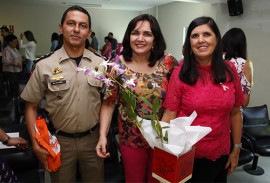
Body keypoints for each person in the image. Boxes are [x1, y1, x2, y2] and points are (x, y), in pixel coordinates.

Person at [20, 5, 104, 182]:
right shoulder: (44, 65)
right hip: (59, 141)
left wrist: (103, 135)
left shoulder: (101, 64)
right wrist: (35, 144)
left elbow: (108, 103)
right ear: (61, 28)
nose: (76, 29)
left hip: (92, 140)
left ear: (89, 32)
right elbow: (31, 106)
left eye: (82, 26)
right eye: (71, 23)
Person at [96, 14, 178, 182]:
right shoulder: (116, 65)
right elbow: (108, 103)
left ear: (155, 38)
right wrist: (103, 135)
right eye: (135, 33)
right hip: (130, 140)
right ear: (129, 36)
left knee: (159, 180)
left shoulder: (168, 62)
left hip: (162, 140)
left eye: (147, 34)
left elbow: (177, 99)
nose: (140, 38)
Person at [161, 16, 244, 182]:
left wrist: (236, 148)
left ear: (217, 39)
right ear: (189, 43)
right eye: (194, 36)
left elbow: (235, 113)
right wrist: (163, 153)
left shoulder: (230, 70)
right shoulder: (180, 72)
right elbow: (169, 115)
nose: (201, 40)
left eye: (207, 34)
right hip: (187, 155)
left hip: (221, 153)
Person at [222, 28, 253, 107]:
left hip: (213, 111)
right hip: (234, 114)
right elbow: (244, 102)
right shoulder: (244, 64)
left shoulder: (213, 59)